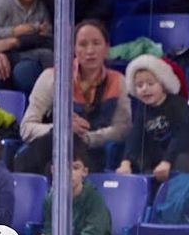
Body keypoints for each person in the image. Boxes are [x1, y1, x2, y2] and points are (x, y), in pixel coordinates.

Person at [15, 20, 130, 176]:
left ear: (107, 48)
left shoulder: (118, 81)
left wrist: (88, 138)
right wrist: (62, 128)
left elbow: (122, 129)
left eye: (96, 43)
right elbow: (27, 128)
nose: (90, 50)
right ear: (74, 49)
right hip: (52, 149)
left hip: (93, 153)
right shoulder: (52, 77)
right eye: (83, 44)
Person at [116, 54, 189, 183]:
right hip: (160, 154)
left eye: (150, 83)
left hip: (184, 150)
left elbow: (181, 135)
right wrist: (126, 161)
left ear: (163, 84)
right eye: (139, 85)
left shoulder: (178, 104)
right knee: (140, 163)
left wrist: (167, 161)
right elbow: (135, 135)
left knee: (184, 161)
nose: (145, 89)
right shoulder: (143, 108)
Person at [32, 144, 113, 235]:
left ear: (84, 172)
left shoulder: (94, 198)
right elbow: (49, 228)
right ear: (53, 170)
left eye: (75, 168)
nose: (69, 173)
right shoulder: (50, 197)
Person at [0, 0, 53, 95]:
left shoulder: (42, 7)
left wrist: (16, 41)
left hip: (35, 56)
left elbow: (47, 37)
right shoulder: (5, 5)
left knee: (25, 71)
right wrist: (13, 33)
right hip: (6, 54)